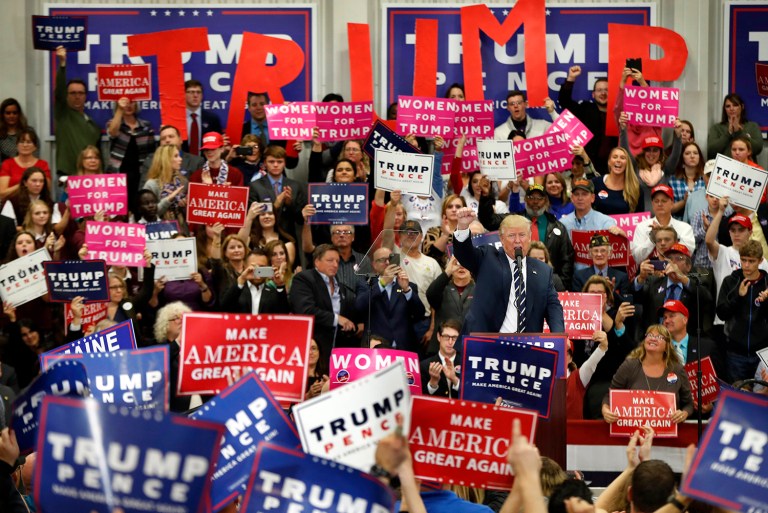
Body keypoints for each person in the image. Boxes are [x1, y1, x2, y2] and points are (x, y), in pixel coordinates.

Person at [453, 210, 564, 334]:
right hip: (487, 343)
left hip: (526, 346)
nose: (517, 240)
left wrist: (559, 336)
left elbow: (553, 306)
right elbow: (464, 254)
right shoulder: (488, 258)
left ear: (530, 237)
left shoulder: (543, 270)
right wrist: (462, 227)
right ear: (501, 238)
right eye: (511, 235)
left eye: (522, 235)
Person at [602, 324, 694, 424]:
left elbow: (689, 404)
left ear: (667, 346)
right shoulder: (630, 365)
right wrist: (605, 410)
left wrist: (684, 414)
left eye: (659, 337)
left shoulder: (677, 369)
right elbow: (609, 396)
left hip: (666, 434)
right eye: (650, 335)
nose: (653, 339)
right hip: (634, 433)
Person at [289, 244, 360, 358]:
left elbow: (345, 317)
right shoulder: (304, 279)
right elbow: (305, 310)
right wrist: (337, 319)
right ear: (317, 262)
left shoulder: (341, 287)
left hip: (336, 352)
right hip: (310, 349)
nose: (335, 264)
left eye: (337, 261)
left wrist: (352, 326)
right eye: (330, 260)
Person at [501, 184, 575, 289]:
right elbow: (490, 220)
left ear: (545, 200)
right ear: (525, 199)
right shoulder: (513, 221)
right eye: (531, 197)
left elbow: (566, 259)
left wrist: (561, 285)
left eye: (539, 198)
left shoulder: (558, 226)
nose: (535, 201)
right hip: (517, 281)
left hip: (550, 283)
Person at [716, 240, 768, 383]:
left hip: (762, 352)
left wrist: (766, 301)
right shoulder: (730, 281)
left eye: (751, 261)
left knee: (762, 397)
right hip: (735, 352)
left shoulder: (766, 283)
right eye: (743, 260)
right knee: (738, 396)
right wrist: (738, 297)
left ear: (760, 261)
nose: (746, 265)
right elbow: (721, 314)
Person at [634, 243, 713, 336]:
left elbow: (707, 299)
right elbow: (636, 299)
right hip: (656, 338)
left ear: (688, 266)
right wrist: (641, 278)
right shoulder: (653, 282)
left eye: (679, 259)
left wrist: (681, 277)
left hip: (684, 341)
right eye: (670, 259)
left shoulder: (694, 284)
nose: (673, 263)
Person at [355, 246, 425, 351]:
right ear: (374, 265)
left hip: (404, 347)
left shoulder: (408, 285)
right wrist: (383, 283)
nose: (387, 262)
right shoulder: (365, 284)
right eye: (382, 260)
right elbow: (359, 306)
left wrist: (406, 290)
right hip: (376, 347)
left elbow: (419, 313)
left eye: (390, 259)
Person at [53, 46, 102, 176]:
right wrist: (62, 64)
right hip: (68, 176)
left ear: (85, 96)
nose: (77, 96)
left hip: (89, 177)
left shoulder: (93, 125)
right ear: (67, 96)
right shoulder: (63, 114)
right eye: (73, 93)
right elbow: (59, 92)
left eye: (80, 93)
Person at [558, 68, 616, 174]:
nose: (603, 93)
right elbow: (564, 101)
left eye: (607, 90)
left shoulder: (618, 113)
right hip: (587, 166)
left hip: (614, 167)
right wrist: (571, 78)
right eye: (599, 90)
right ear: (593, 94)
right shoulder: (585, 109)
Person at [106, 96, 156, 208]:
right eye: (126, 103)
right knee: (121, 208)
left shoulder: (146, 126)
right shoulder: (114, 124)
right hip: (119, 174)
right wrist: (120, 109)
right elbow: (113, 132)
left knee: (139, 205)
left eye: (132, 102)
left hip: (141, 173)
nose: (128, 106)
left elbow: (152, 152)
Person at [249, 145, 306, 241]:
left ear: (284, 163)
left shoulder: (295, 186)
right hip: (263, 238)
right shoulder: (255, 186)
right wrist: (275, 205)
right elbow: (253, 218)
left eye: (279, 162)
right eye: (271, 162)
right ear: (265, 164)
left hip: (289, 238)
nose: (275, 165)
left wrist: (289, 204)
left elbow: (300, 220)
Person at [630, 184, 695, 263]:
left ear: (672, 203)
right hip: (649, 273)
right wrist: (652, 239)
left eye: (664, 201)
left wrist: (667, 234)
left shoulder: (685, 228)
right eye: (656, 201)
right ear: (652, 204)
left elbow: (687, 255)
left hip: (677, 272)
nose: (660, 204)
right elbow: (637, 258)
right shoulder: (642, 227)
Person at [426, 256, 475, 353]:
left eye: (465, 264)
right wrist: (447, 272)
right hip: (442, 348)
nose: (461, 267)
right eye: (457, 264)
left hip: (469, 347)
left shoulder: (479, 289)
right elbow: (430, 294)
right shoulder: (442, 289)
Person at [220, 249, 289, 314]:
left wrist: (280, 285)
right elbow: (223, 308)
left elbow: (284, 314)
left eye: (262, 267)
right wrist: (241, 280)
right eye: (254, 266)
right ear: (245, 266)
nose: (257, 270)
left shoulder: (273, 292)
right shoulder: (236, 289)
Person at [153, 302, 193, 412]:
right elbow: (158, 363)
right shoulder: (158, 348)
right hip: (174, 409)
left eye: (183, 317)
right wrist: (178, 342)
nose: (181, 320)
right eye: (176, 318)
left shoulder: (196, 346)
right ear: (165, 324)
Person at [559, 179, 623, 245]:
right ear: (572, 198)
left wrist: (622, 236)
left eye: (584, 194)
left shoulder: (605, 222)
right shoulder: (562, 224)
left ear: (592, 198)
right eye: (576, 194)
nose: (580, 198)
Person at [140, 125, 205, 187]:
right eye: (163, 138)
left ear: (181, 140)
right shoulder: (150, 161)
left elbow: (198, 191)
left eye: (171, 136)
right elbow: (144, 192)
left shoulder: (196, 162)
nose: (167, 140)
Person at [707, 93, 763, 160]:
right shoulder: (716, 128)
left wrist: (739, 132)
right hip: (725, 167)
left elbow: (758, 149)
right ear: (724, 109)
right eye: (728, 106)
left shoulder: (752, 126)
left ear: (742, 107)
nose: (731, 108)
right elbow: (711, 151)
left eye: (735, 105)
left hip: (746, 167)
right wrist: (728, 134)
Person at [0, 128, 50, 199]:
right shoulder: (7, 164)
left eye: (29, 142)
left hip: (36, 204)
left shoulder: (43, 164)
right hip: (11, 204)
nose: (25, 145)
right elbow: (2, 193)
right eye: (21, 142)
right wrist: (23, 184)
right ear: (16, 145)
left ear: (35, 147)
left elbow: (46, 191)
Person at [591, 147, 642, 215]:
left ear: (627, 163)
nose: (618, 160)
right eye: (615, 157)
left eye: (622, 158)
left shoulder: (636, 188)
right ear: (609, 162)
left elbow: (640, 218)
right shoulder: (595, 183)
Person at [144, 145, 188, 220]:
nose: (180, 159)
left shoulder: (183, 181)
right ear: (166, 160)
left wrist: (185, 205)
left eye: (179, 156)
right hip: (161, 229)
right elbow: (148, 215)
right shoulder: (151, 184)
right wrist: (168, 200)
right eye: (176, 156)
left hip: (182, 228)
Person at [419, 319, 462, 398]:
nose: (450, 342)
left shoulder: (467, 364)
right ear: (439, 337)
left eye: (454, 338)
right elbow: (420, 399)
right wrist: (433, 382)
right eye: (446, 337)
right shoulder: (424, 366)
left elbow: (473, 395)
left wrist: (455, 379)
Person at [183, 79, 223, 155]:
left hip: (206, 162)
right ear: (183, 94)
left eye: (198, 92)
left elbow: (218, 144)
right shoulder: (177, 119)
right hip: (182, 163)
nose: (195, 95)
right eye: (191, 92)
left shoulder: (212, 119)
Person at [668, 142, 705, 220]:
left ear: (699, 157)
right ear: (682, 158)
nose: (692, 156)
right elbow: (667, 209)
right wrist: (684, 202)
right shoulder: (672, 180)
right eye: (687, 153)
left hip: (701, 224)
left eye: (695, 153)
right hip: (677, 224)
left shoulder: (705, 180)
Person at [0, 98, 30, 162]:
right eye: (8, 113)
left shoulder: (29, 132)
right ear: (2, 115)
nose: (11, 116)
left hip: (27, 168)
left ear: (19, 114)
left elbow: (35, 156)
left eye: (15, 113)